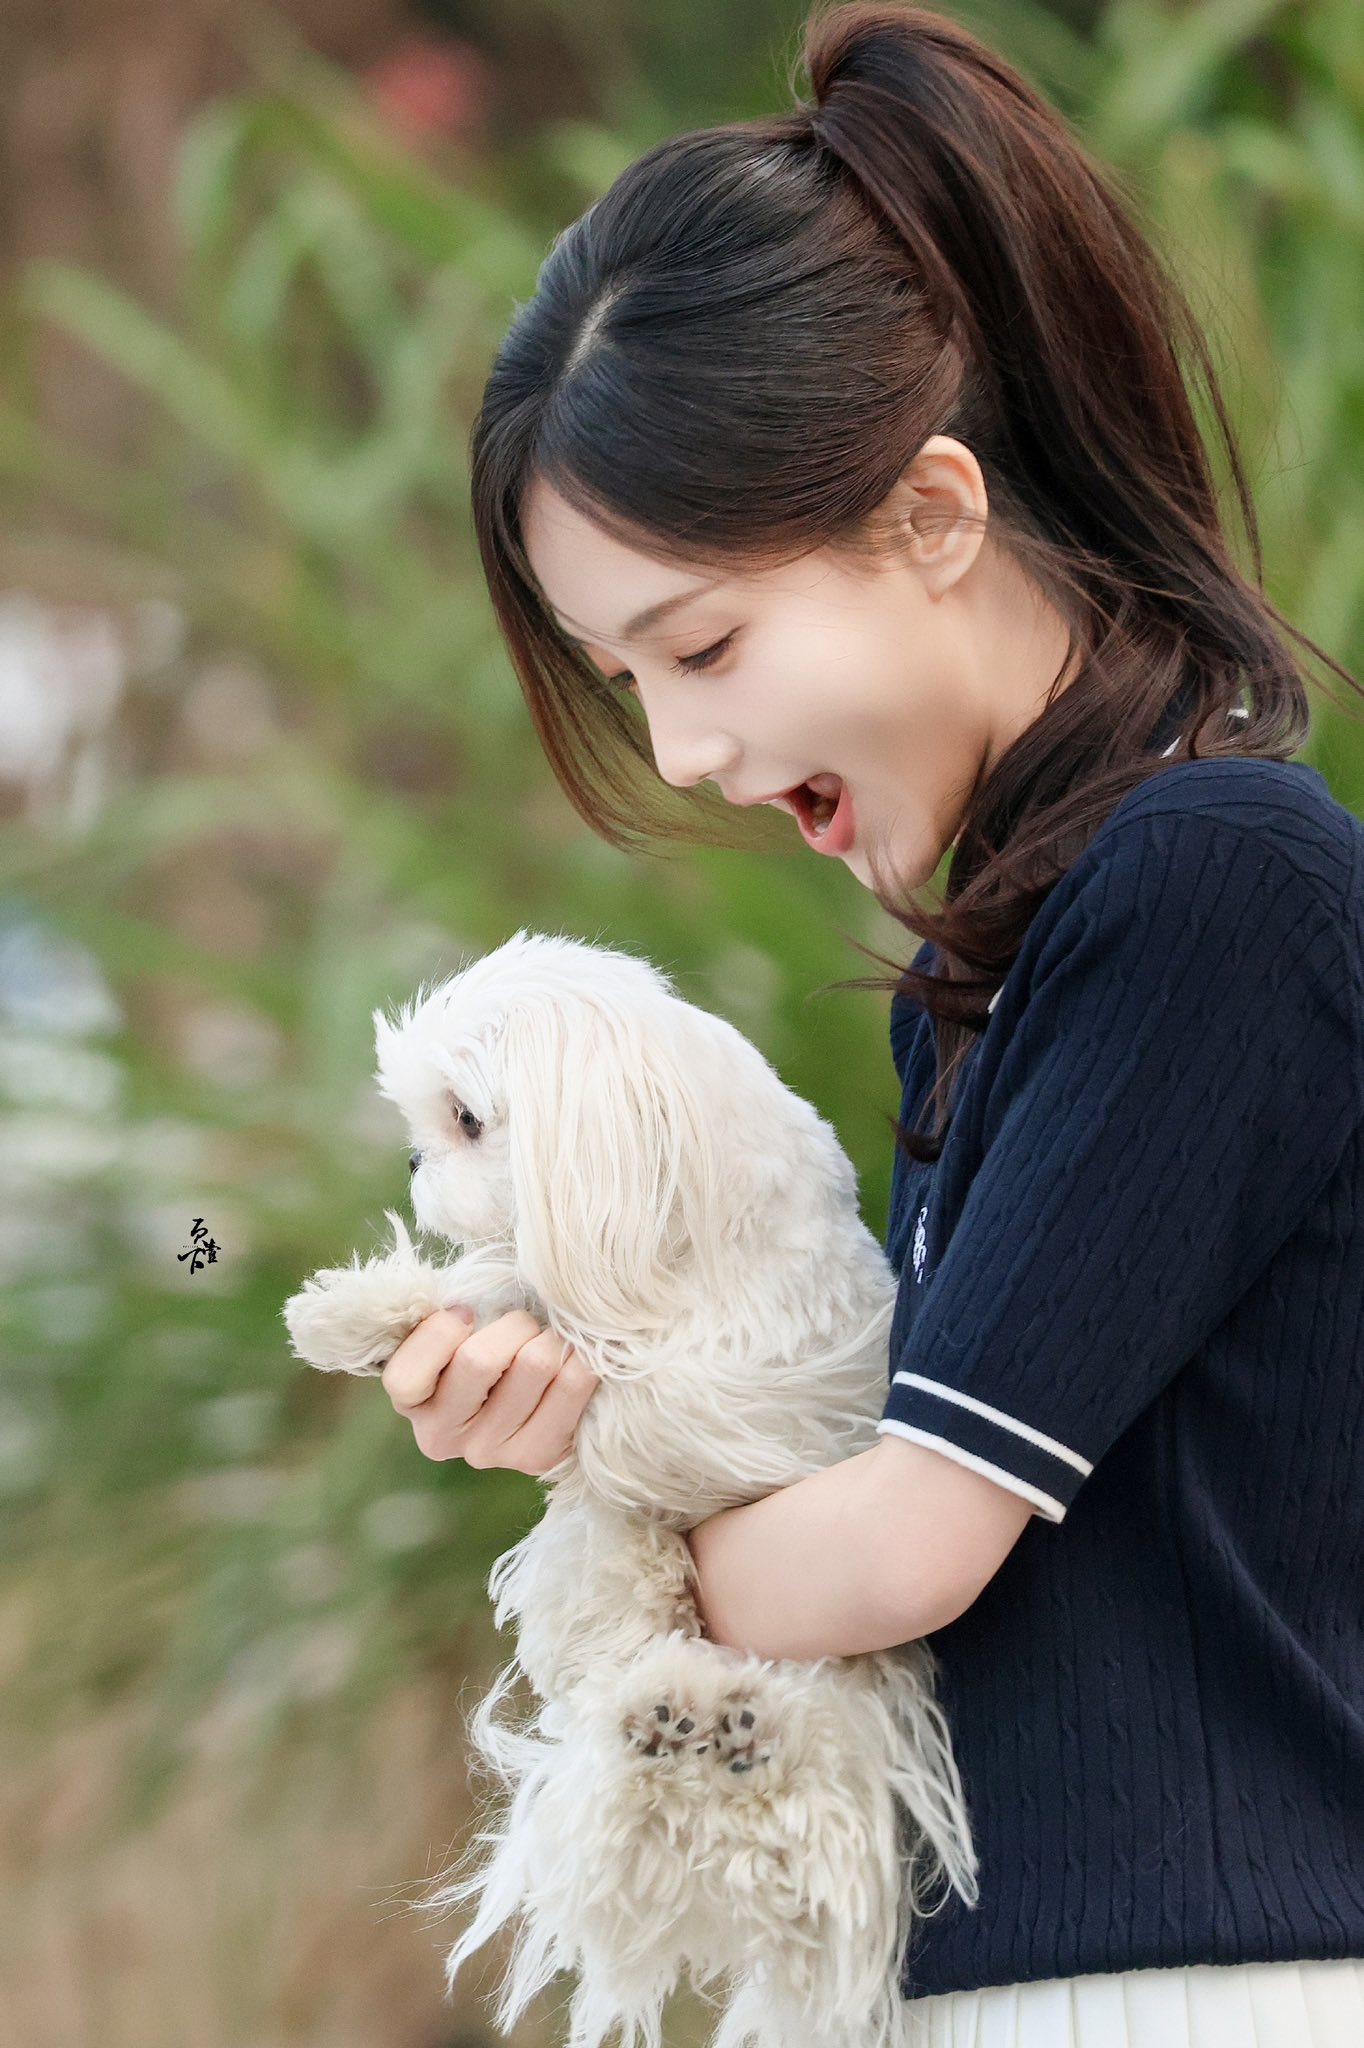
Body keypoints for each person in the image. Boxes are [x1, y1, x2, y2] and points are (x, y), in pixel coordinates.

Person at [378, 4, 1364, 2040]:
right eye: (630, 680)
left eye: (705, 645)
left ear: (932, 515)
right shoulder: (1011, 957)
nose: (686, 751)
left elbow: (913, 1542)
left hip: (1192, 1986)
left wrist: (635, 1554)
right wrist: (606, 1406)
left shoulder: (1209, 878)